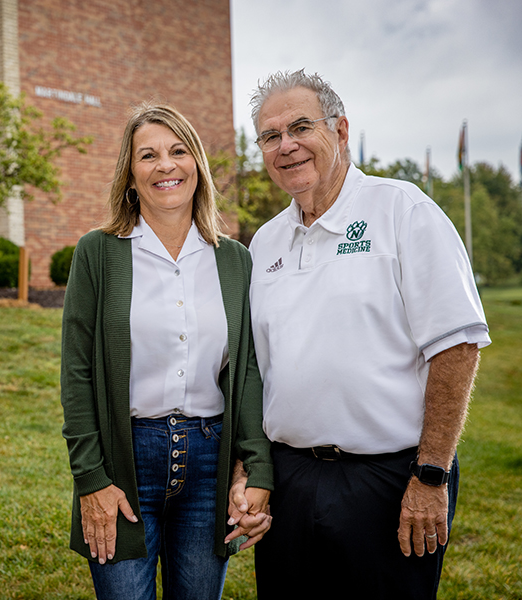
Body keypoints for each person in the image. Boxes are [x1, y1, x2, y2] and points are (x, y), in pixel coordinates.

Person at [244, 69, 491, 598]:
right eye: (270, 136)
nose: (285, 146)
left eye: (300, 127)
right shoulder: (264, 243)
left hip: (389, 480)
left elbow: (457, 345)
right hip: (289, 481)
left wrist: (430, 476)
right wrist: (252, 469)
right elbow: (253, 371)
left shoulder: (404, 211)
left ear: (340, 130)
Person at [60, 102, 274, 600]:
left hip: (208, 463)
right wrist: (91, 479)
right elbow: (77, 373)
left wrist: (256, 466)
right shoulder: (98, 252)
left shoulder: (235, 261)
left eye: (178, 151)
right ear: (130, 176)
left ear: (196, 165)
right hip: (125, 461)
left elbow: (246, 371)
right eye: (148, 155)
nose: (165, 165)